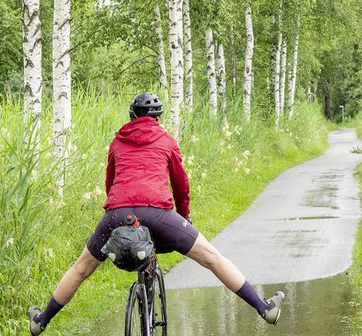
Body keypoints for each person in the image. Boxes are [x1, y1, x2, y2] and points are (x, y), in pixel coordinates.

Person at [28, 92, 285, 335]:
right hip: (158, 213)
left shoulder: (117, 142)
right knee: (212, 258)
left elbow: (111, 184)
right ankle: (264, 309)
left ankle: (41, 321)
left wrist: (117, 209)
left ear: (132, 117)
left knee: (82, 267)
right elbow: (181, 186)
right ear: (158, 118)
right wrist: (183, 216)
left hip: (117, 213)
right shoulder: (166, 141)